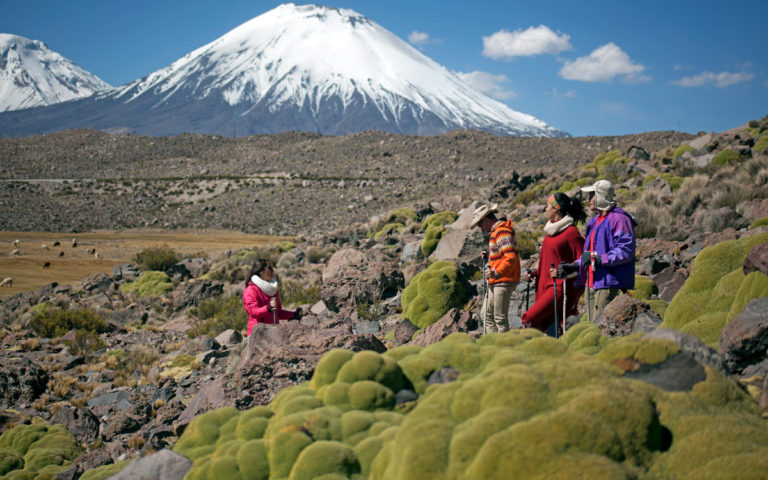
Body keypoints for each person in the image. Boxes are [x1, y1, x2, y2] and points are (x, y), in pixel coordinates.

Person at [558, 179, 637, 321]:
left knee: (601, 326)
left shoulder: (619, 219)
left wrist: (600, 259)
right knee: (592, 324)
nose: (589, 200)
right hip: (592, 282)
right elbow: (588, 254)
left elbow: (626, 251)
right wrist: (575, 265)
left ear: (601, 196)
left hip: (608, 283)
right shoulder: (594, 222)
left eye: (592, 195)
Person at [521, 192, 586, 336]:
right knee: (551, 327)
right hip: (544, 285)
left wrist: (566, 272)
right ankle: (552, 353)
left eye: (548, 206)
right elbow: (550, 260)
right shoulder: (550, 231)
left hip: (558, 288)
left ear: (556, 209)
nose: (545, 209)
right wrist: (535, 272)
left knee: (529, 318)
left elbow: (582, 263)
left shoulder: (571, 232)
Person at [470, 203, 521, 333]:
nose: (481, 228)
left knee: (499, 318)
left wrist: (495, 272)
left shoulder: (502, 231)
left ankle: (503, 349)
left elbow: (510, 257)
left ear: (486, 219)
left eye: (480, 224)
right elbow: (503, 253)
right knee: (485, 315)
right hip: (498, 280)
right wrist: (490, 256)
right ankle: (492, 345)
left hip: (503, 280)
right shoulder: (497, 231)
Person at [243, 258, 302, 337]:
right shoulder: (251, 290)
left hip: (272, 334)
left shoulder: (272, 290)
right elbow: (253, 312)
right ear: (261, 271)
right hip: (257, 335)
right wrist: (268, 308)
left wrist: (294, 315)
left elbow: (278, 313)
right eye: (269, 268)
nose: (273, 271)